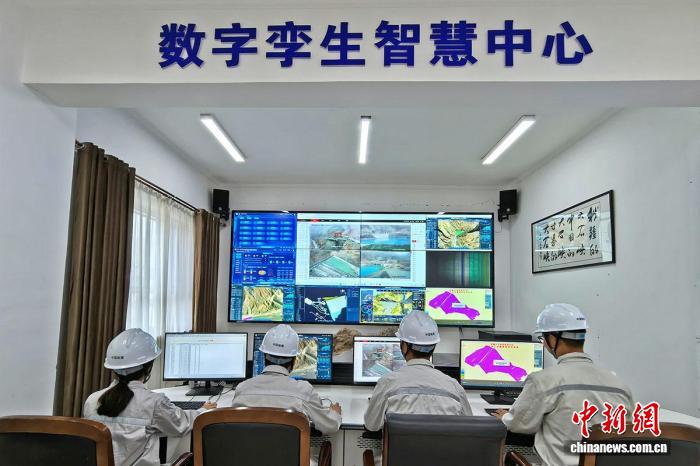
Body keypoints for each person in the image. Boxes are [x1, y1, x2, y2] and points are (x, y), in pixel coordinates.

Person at [493, 303, 634, 466]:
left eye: (543, 339)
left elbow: (519, 424)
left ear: (553, 338)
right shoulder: (619, 385)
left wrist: (505, 417)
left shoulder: (543, 380)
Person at [84, 328, 216, 466]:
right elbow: (181, 424)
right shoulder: (153, 402)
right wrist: (202, 410)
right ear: (148, 367)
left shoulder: (92, 400)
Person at [231, 324, 342, 464]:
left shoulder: (242, 389)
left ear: (264, 356)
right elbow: (330, 426)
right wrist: (334, 413)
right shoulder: (304, 391)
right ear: (294, 361)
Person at [364, 310, 473, 432]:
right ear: (434, 346)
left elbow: (371, 425)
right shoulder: (455, 387)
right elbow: (469, 428)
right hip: (443, 445)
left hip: (402, 445)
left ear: (404, 346)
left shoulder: (387, 383)